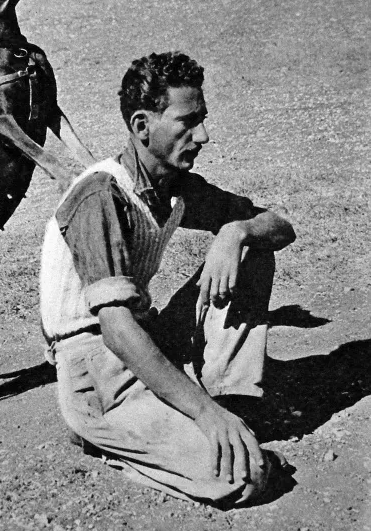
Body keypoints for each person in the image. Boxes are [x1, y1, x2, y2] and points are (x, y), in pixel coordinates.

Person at [39, 51, 296, 507]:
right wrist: (204, 413)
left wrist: (235, 232)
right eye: (188, 122)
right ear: (142, 127)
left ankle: (225, 405)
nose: (203, 135)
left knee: (253, 249)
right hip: (96, 369)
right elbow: (116, 330)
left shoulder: (171, 185)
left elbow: (279, 226)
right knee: (250, 474)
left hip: (147, 339)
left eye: (203, 119)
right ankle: (116, 432)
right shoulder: (99, 196)